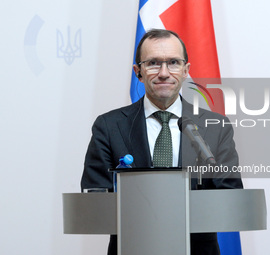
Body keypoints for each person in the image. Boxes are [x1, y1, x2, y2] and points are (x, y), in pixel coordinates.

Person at [81, 29, 243, 255]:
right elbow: (94, 201)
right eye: (154, 63)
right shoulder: (109, 126)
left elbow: (230, 198)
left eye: (174, 63)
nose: (164, 73)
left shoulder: (215, 126)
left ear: (186, 70)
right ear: (138, 72)